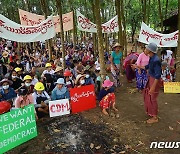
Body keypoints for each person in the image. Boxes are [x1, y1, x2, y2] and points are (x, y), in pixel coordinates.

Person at [142, 42, 161, 124]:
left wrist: (153, 87)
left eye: (146, 48)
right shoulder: (152, 58)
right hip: (151, 78)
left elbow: (158, 75)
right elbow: (148, 67)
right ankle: (153, 111)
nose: (144, 50)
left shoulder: (156, 60)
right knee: (148, 96)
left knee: (152, 98)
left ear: (150, 51)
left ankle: (155, 117)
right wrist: (138, 66)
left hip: (154, 80)